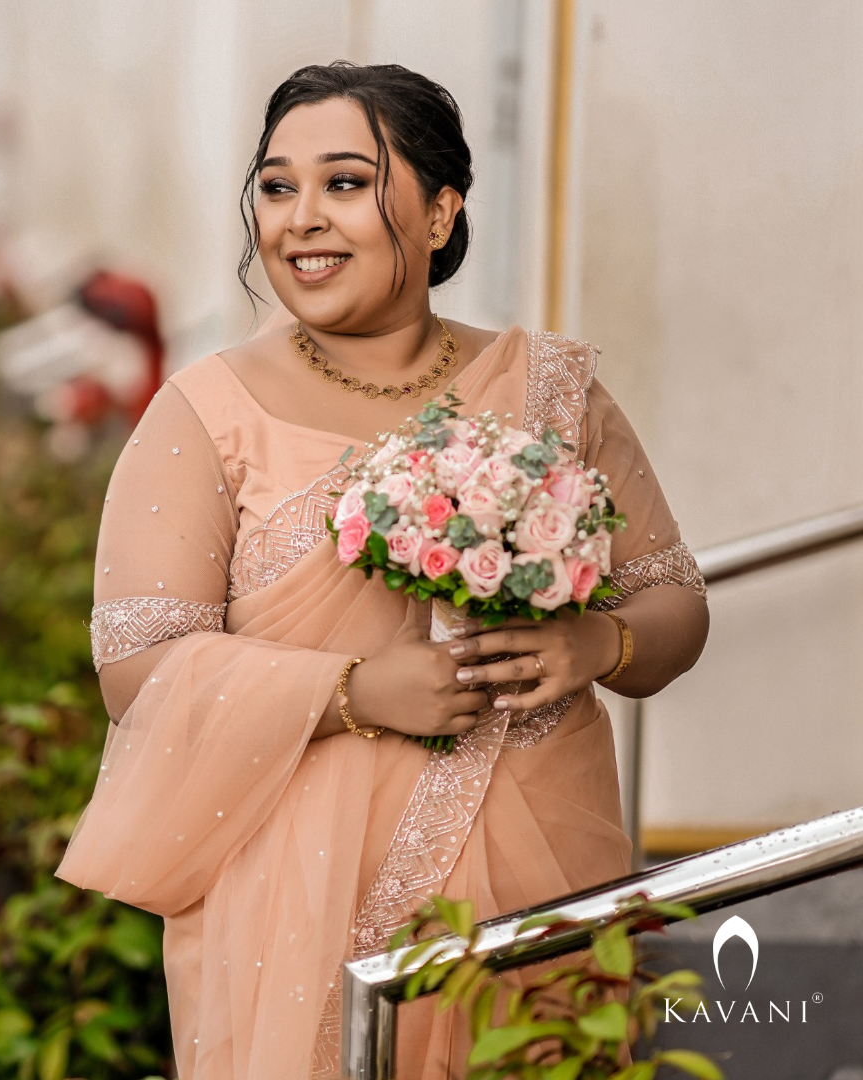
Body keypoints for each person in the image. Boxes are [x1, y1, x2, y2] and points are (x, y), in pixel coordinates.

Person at [56, 61, 709, 1080]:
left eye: (347, 183)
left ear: (442, 211)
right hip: (297, 892)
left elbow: (674, 599)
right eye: (277, 187)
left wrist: (597, 640)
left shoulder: (550, 390)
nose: (302, 219)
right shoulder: (206, 411)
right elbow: (137, 668)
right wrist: (356, 691)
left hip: (538, 853)